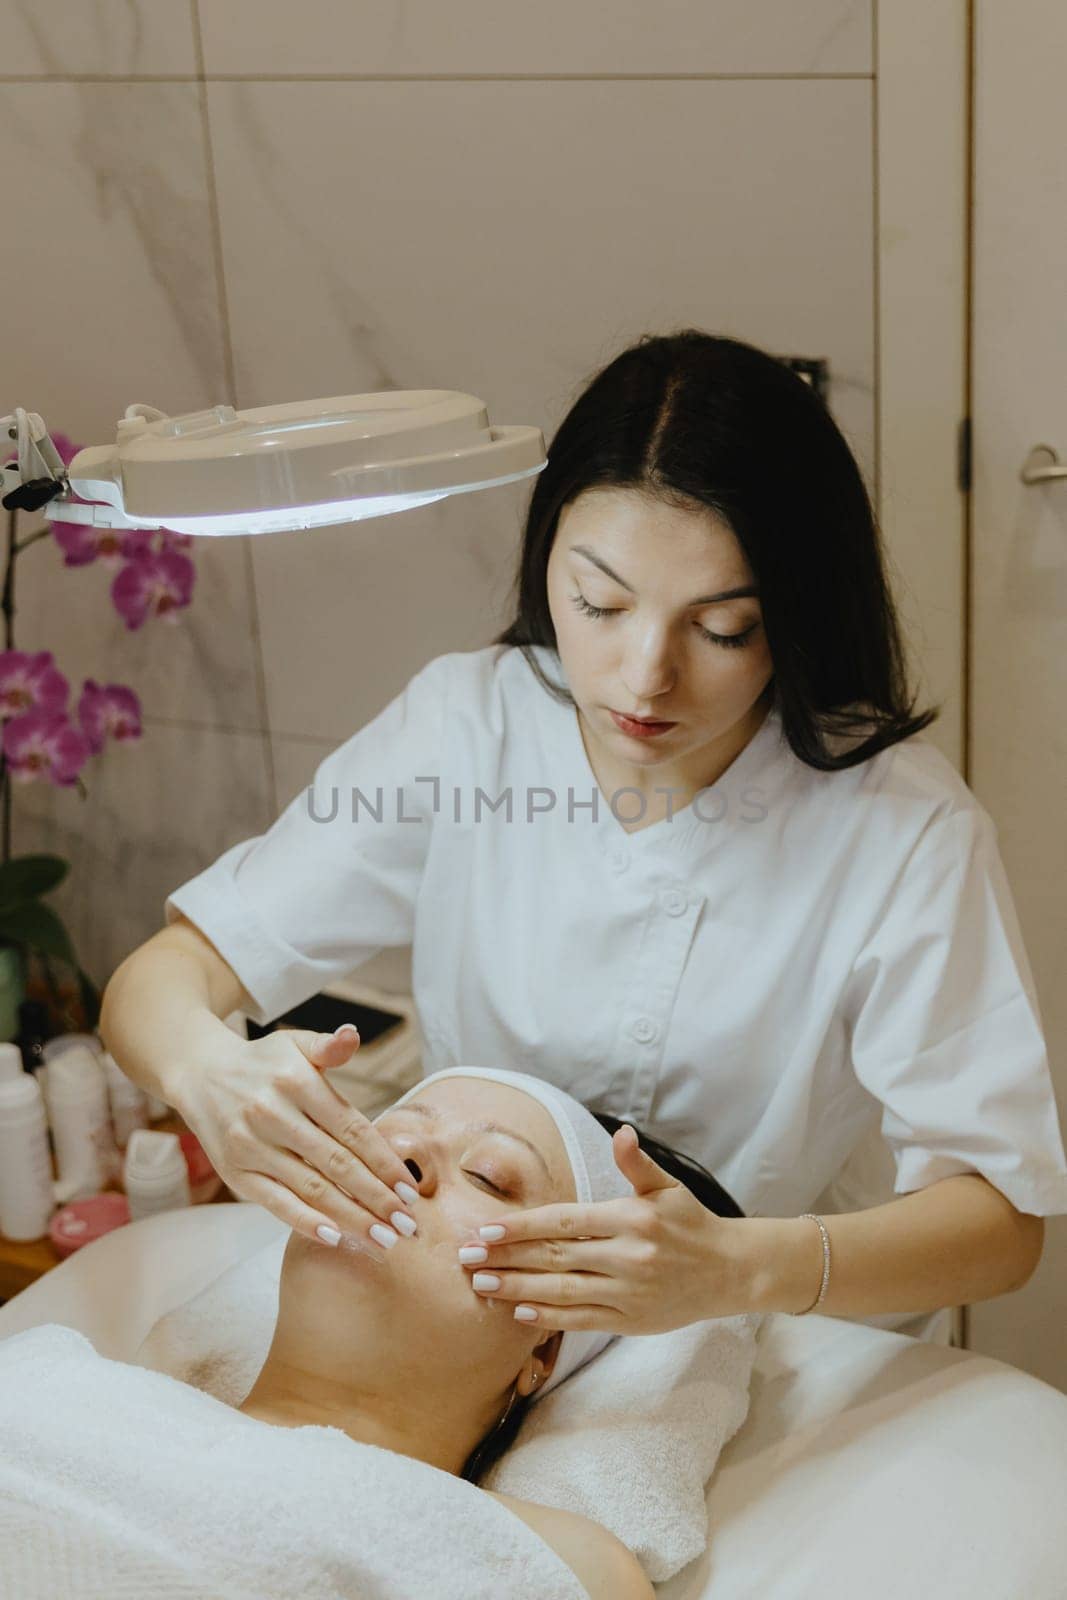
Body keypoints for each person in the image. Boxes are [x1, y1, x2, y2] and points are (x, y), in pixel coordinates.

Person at [100, 329, 1067, 1348]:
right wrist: (210, 1074)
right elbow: (163, 979)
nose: (643, 673)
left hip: (769, 1340)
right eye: (597, 602)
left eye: (722, 629)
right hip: (470, 1321)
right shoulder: (466, 728)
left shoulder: (900, 826)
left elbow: (998, 1225)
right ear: (545, 556)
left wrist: (739, 1267)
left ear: (796, 612)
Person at [0, 1069, 745, 1600]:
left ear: (542, 1350)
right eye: (382, 1140)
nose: (401, 1162)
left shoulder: (553, 1563)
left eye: (488, 1176)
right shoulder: (48, 1380)